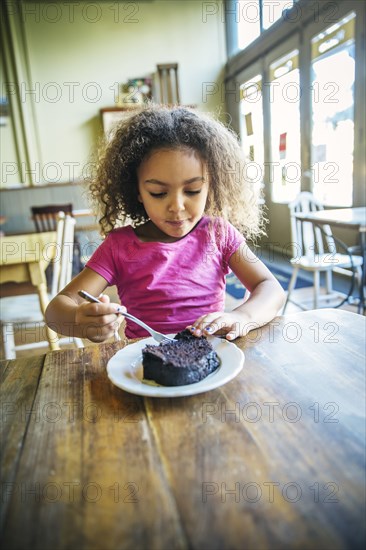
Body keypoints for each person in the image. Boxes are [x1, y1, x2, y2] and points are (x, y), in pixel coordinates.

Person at [45, 104, 285, 342]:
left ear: (210, 186)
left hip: (212, 362)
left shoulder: (219, 234)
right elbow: (56, 310)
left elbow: (270, 288)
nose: (177, 206)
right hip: (145, 368)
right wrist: (81, 320)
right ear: (137, 190)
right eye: (158, 193)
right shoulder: (119, 247)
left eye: (192, 190)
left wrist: (243, 317)